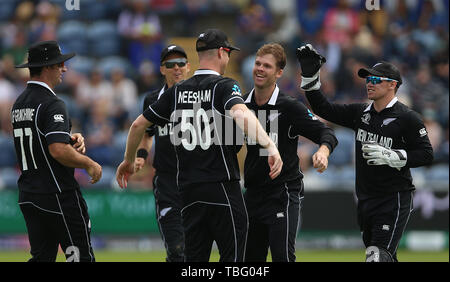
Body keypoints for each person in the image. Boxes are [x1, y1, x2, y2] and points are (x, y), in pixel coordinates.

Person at [116, 28, 283, 262]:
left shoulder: (177, 92)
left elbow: (137, 125)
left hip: (188, 193)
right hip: (222, 187)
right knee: (235, 259)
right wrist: (271, 146)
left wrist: (128, 159)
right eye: (228, 53)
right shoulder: (225, 86)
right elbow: (241, 115)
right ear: (222, 53)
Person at [296, 44, 434, 262]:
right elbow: (323, 109)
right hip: (365, 198)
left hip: (394, 198)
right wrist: (310, 77)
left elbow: (427, 155)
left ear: (392, 85)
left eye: (376, 80)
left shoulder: (408, 118)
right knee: (384, 256)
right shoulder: (360, 113)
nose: (370, 83)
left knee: (376, 256)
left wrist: (394, 156)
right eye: (368, 79)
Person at [242, 43, 338, 262]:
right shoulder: (241, 106)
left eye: (267, 66)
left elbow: (327, 134)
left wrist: (323, 151)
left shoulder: (289, 107)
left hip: (282, 193)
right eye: (257, 63)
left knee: (283, 257)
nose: (259, 68)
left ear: (278, 73)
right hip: (252, 195)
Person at [11, 41, 102, 262]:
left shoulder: (19, 103)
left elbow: (41, 141)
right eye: (60, 64)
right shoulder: (52, 103)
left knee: (42, 258)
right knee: (79, 258)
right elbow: (57, 150)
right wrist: (89, 163)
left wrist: (69, 138)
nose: (65, 69)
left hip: (30, 195)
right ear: (47, 67)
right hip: (58, 195)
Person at [133, 44, 191, 262]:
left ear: (188, 67)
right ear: (162, 69)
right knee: (176, 249)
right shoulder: (152, 99)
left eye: (181, 64)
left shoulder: (201, 99)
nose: (176, 68)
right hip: (167, 182)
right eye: (170, 64)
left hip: (195, 179)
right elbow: (147, 133)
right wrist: (140, 155)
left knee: (195, 250)